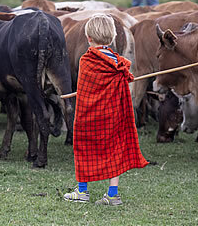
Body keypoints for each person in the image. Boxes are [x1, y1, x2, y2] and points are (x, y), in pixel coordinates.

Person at [63, 14, 148, 205]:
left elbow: (86, 90)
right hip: (113, 116)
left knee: (84, 148)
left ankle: (82, 191)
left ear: (89, 38)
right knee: (114, 151)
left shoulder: (87, 60)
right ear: (112, 38)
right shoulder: (119, 64)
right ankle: (112, 194)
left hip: (90, 116)